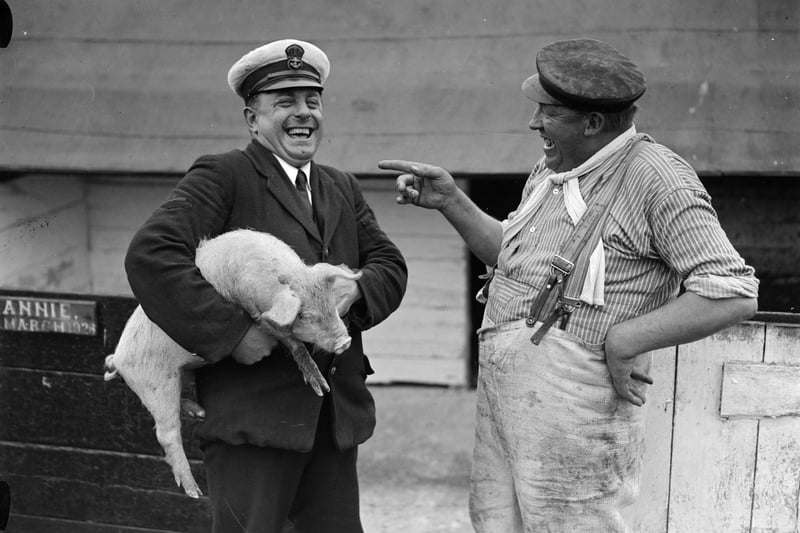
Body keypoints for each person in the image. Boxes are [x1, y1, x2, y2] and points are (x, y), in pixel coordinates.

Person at [380, 38, 758, 532]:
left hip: (577, 404)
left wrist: (627, 339)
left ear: (593, 122)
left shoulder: (659, 179)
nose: (534, 123)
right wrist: (452, 201)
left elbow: (731, 290)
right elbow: (516, 258)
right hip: (509, 393)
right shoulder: (553, 166)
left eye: (549, 112)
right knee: (497, 521)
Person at [125, 39, 407, 533]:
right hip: (254, 421)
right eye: (284, 103)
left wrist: (354, 291)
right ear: (252, 119)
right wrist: (234, 336)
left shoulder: (339, 185)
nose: (303, 114)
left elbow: (389, 263)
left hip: (333, 420)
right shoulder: (225, 175)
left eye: (312, 101)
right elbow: (153, 254)